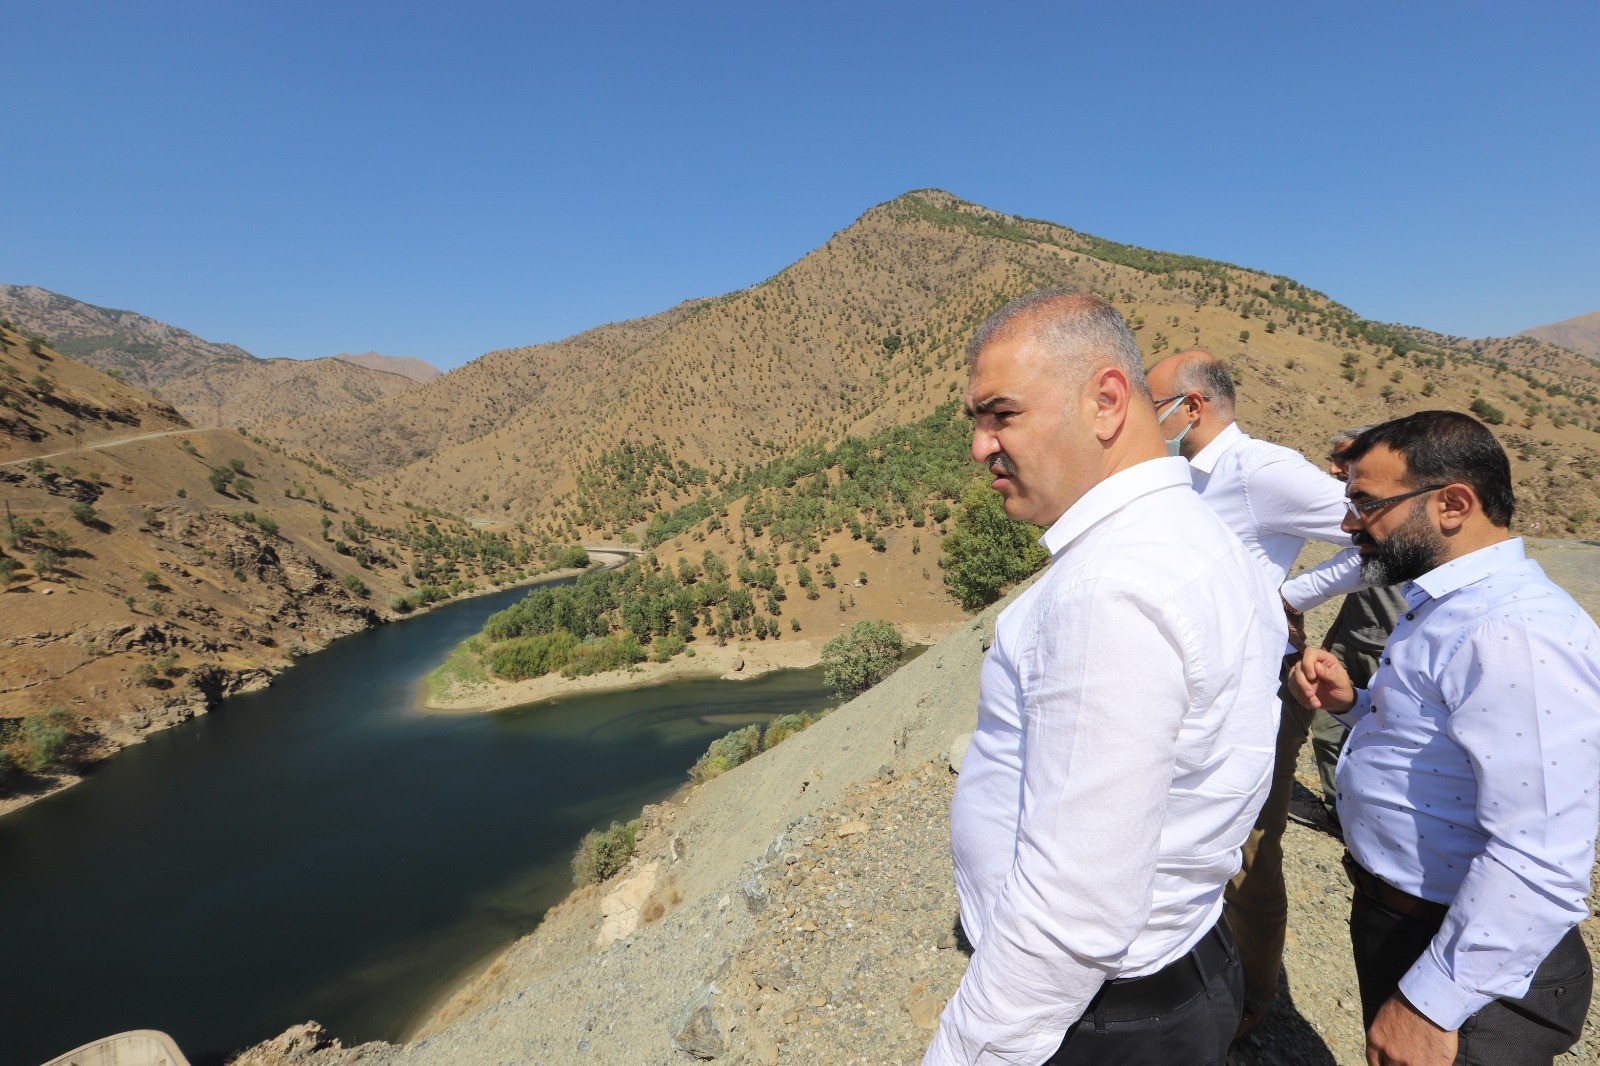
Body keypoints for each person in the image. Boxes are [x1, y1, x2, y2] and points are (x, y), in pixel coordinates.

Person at [925, 291, 1283, 1065]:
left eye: (1001, 414)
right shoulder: (1197, 535)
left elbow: (1073, 907)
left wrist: (967, 1050)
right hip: (1183, 964)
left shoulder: (1108, 590)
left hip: (1100, 1020)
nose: (980, 447)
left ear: (1107, 401)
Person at [1290, 410, 1599, 1065]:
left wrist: (1432, 1004)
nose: (1349, 524)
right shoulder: (1452, 605)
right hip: (1414, 924)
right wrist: (1355, 705)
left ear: (1452, 504)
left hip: (1468, 966)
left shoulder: (1514, 634)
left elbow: (1540, 854)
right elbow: (1442, 744)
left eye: (1366, 503)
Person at [1144, 350, 1352, 1035]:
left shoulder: (1261, 469)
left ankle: (1252, 1003)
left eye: (1153, 406)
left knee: (1250, 848)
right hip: (1200, 682)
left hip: (1260, 686)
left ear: (1192, 406)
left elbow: (1382, 534)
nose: (1146, 420)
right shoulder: (1184, 474)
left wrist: (1291, 594)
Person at [1280, 427, 1408, 832]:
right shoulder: (1364, 522)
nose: (1334, 468)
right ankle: (1341, 811)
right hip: (1353, 642)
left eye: (1344, 459)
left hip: (1391, 649)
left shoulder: (1392, 530)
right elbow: (1353, 592)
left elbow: (1342, 574)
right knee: (1330, 728)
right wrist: (1333, 636)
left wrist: (1291, 601)